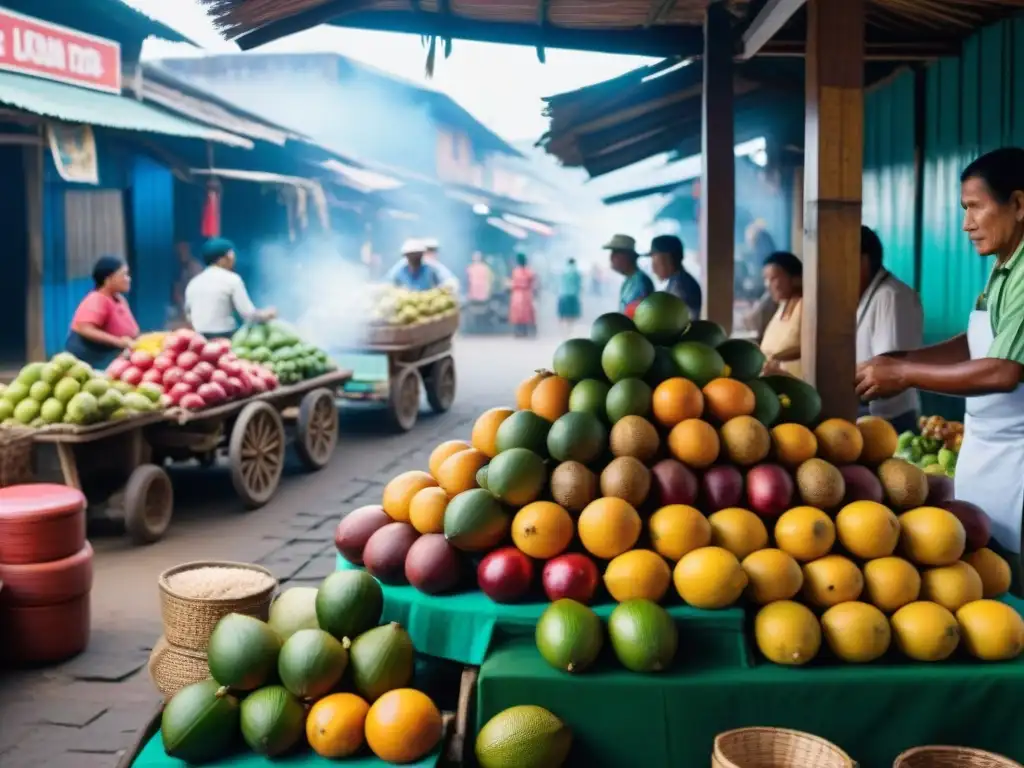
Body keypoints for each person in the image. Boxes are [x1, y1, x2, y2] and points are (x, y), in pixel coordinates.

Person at [856, 147, 1024, 591]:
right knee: (991, 574)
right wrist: (902, 359)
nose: (966, 224)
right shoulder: (1004, 267)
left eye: (974, 208)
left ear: (1019, 205)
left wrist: (906, 376)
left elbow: (1004, 371)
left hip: (1017, 460)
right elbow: (976, 341)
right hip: (989, 454)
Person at [856, 225, 924, 434]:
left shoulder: (892, 297)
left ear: (863, 261)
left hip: (889, 419)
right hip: (872, 415)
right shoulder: (867, 293)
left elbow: (888, 367)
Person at [185, 237, 275, 338]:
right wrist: (267, 314)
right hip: (226, 338)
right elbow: (248, 315)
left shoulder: (194, 282)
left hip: (199, 339)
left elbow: (189, 316)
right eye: (231, 254)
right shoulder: (232, 279)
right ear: (225, 257)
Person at [66, 256, 139, 369]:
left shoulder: (119, 299)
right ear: (108, 279)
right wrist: (119, 342)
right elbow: (85, 329)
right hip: (93, 363)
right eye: (123, 275)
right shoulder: (97, 299)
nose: (128, 279)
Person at [759, 251, 804, 378]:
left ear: (796, 278)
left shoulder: (805, 306)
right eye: (765, 279)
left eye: (773, 278)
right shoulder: (783, 306)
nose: (767, 285)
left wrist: (773, 357)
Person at [649, 234, 702, 319]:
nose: (653, 269)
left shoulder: (681, 286)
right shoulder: (678, 280)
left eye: (657, 263)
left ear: (669, 259)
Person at [604, 234, 653, 317]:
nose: (611, 257)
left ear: (627, 256)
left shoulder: (640, 283)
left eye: (615, 253)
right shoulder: (630, 280)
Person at [386, 237, 458, 292]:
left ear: (422, 254)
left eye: (417, 254)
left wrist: (442, 289)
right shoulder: (399, 268)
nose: (414, 258)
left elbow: (449, 280)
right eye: (411, 255)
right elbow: (387, 282)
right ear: (406, 256)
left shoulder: (430, 267)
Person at [171, 242, 203, 325]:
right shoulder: (180, 268)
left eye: (184, 250)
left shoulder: (195, 267)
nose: (181, 253)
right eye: (179, 251)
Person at [508, 253, 537, 337]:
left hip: (517, 294)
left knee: (517, 314)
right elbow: (533, 283)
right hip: (526, 294)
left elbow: (513, 283)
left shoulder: (515, 271)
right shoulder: (530, 272)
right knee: (527, 313)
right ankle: (525, 331)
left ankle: (517, 331)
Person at [557, 258, 583, 333]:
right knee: (571, 315)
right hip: (573, 295)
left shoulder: (564, 272)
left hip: (563, 295)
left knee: (563, 315)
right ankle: (569, 330)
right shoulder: (576, 273)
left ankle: (563, 331)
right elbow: (579, 285)